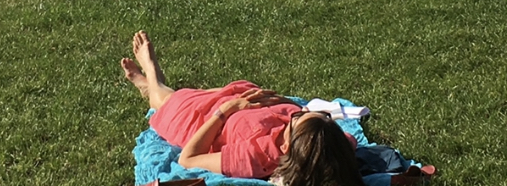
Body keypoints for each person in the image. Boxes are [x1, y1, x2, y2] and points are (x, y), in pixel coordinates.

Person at [123, 31, 362, 185]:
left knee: (169, 103)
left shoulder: (255, 157)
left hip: (210, 120)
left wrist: (226, 110)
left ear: (289, 146)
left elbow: (188, 159)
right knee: (190, 95)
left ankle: (152, 78)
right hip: (244, 102)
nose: (298, 111)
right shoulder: (331, 142)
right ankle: (157, 86)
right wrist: (281, 103)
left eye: (297, 117)